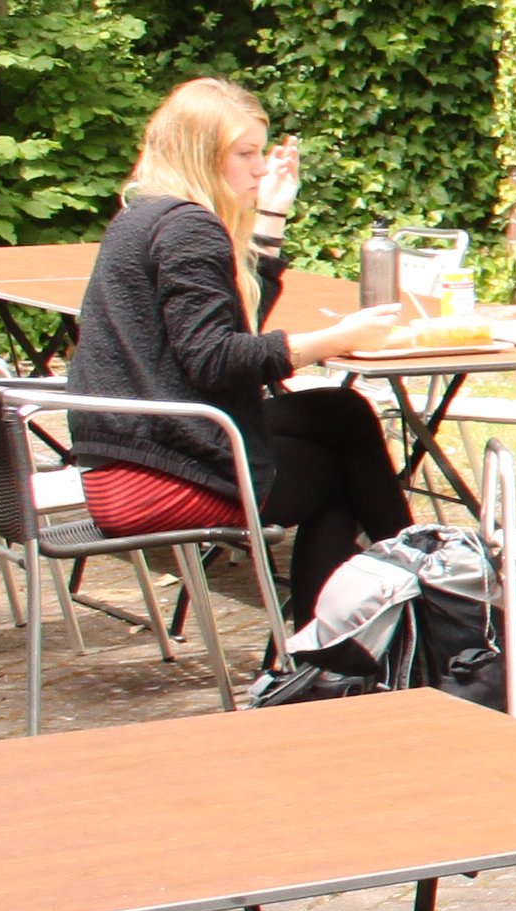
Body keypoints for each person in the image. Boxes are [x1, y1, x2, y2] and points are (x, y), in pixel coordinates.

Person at [65, 79, 418, 622]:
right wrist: (335, 341)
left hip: (125, 454)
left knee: (339, 410)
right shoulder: (189, 229)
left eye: (260, 152)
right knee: (335, 477)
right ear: (201, 156)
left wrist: (271, 213)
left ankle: (418, 568)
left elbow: (231, 321)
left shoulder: (145, 215)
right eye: (244, 154)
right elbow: (214, 360)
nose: (258, 168)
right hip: (153, 477)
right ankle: (340, 638)